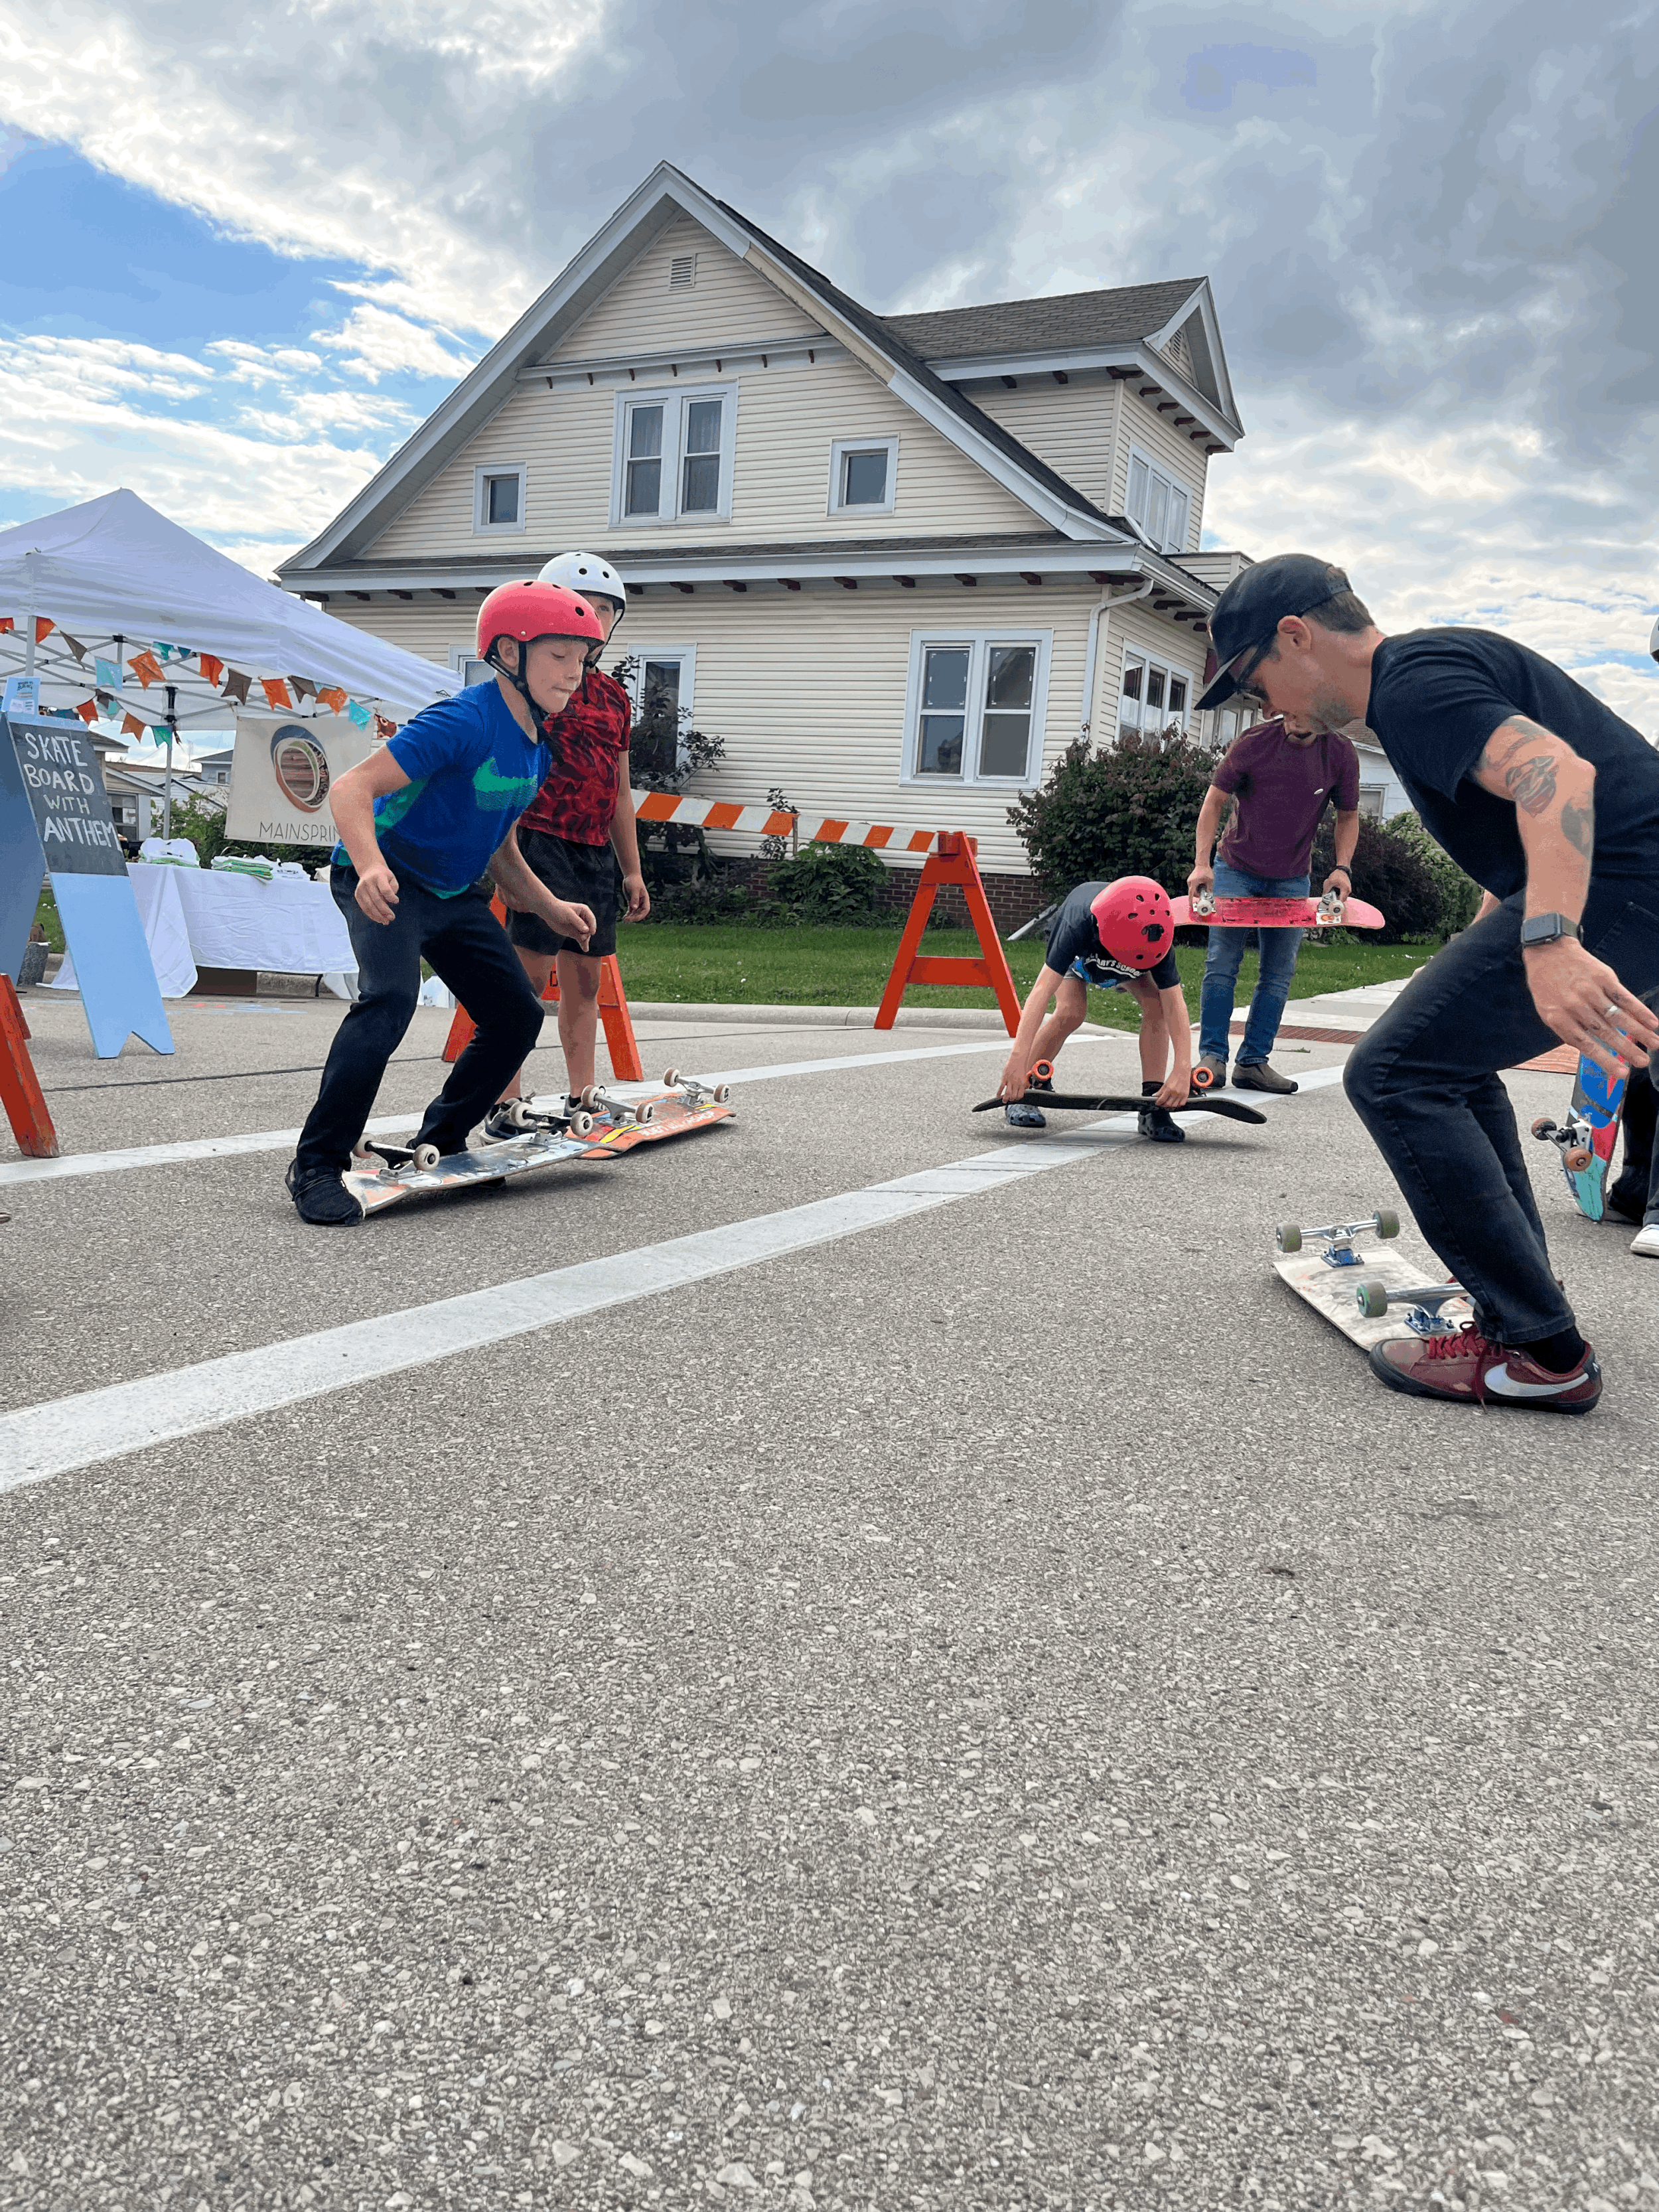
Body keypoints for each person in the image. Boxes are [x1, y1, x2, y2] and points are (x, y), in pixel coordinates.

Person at [1198, 553, 1659, 1411]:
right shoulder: (1415, 688)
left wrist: (1551, 937)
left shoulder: (1412, 684)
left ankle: (1541, 1353)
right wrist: (1487, 938)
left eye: (1257, 682)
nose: (1265, 709)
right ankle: (1518, 1295)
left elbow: (1558, 778)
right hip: (1625, 880)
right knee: (1444, 1059)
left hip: (1626, 883)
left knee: (1393, 1072)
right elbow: (1516, 829)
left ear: (1296, 638)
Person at [284, 581, 607, 1227]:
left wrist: (548, 907)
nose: (574, 674)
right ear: (508, 654)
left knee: (515, 1016)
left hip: (454, 894)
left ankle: (447, 1138)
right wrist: (371, 866)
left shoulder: (535, 749)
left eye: (582, 660)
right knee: (390, 999)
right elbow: (350, 790)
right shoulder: (464, 719)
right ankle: (317, 1163)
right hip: (385, 882)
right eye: (558, 656)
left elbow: (499, 849)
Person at [486, 551, 648, 1132]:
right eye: (584, 609)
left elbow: (621, 791)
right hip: (538, 839)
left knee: (585, 979)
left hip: (593, 851)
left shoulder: (615, 699)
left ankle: (583, 1094)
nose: (595, 621)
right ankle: (505, 1099)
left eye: (606, 612)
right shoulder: (532, 685)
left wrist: (630, 870)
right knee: (526, 977)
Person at [1188, 715, 1360, 1093]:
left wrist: (1342, 869)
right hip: (1236, 867)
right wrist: (1202, 864)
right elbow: (1214, 801)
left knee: (1278, 973)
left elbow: (1347, 816)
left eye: (1307, 711)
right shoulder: (1254, 742)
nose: (1296, 719)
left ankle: (1252, 1062)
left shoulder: (1340, 753)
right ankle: (1212, 1057)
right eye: (1291, 709)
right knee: (1221, 963)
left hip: (1292, 877)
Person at [997, 875, 1193, 1142]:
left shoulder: (1157, 933)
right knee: (1070, 1012)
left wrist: (1183, 1069)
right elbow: (1041, 992)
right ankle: (1029, 1083)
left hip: (1133, 956)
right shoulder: (1076, 922)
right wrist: (1017, 1060)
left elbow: (1174, 1004)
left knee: (1157, 1006)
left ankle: (1152, 1104)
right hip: (1081, 958)